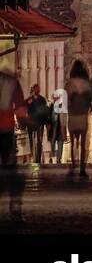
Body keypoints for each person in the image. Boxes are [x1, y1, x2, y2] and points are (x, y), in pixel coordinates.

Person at [0, 65, 28, 222]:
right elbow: (20, 110)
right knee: (11, 169)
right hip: (6, 129)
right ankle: (15, 207)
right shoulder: (12, 82)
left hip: (6, 128)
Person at [66, 60, 92, 179]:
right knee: (82, 144)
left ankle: (73, 166)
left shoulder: (69, 84)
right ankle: (82, 169)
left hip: (72, 116)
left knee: (73, 143)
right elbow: (90, 101)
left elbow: (67, 101)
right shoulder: (87, 84)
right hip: (82, 116)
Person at [26, 85, 49, 164]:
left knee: (39, 140)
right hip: (31, 122)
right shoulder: (29, 99)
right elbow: (26, 108)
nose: (37, 90)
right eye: (36, 88)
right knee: (30, 139)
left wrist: (46, 122)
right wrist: (29, 103)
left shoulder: (42, 99)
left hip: (40, 122)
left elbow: (45, 111)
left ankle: (38, 157)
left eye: (38, 88)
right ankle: (32, 154)